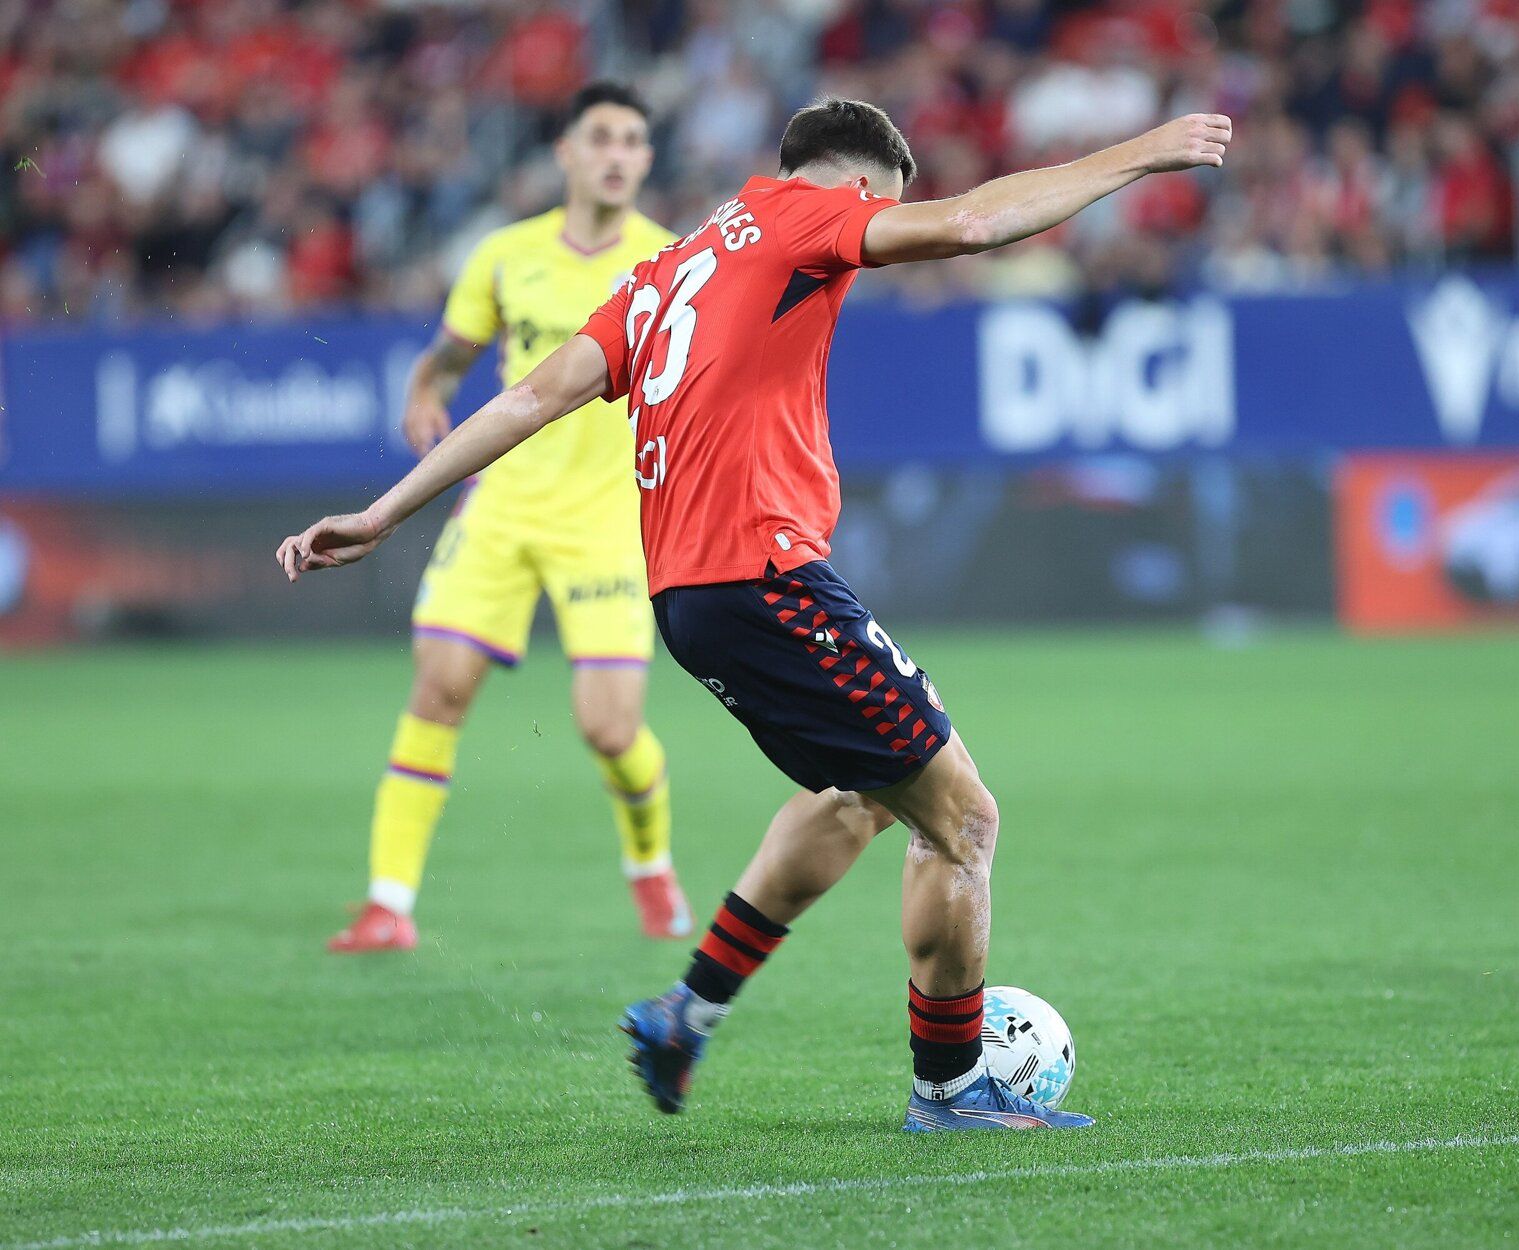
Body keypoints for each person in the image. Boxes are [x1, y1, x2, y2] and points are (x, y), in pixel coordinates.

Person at [279, 97, 1231, 1128]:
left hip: (690, 596)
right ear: (860, 187)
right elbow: (969, 224)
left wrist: (383, 511)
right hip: (765, 576)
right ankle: (950, 1085)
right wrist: (1143, 154)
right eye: (881, 209)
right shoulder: (799, 219)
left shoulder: (661, 273)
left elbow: (526, 398)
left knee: (859, 794)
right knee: (964, 821)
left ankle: (687, 1012)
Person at [326, 82, 691, 954]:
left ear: (645, 160)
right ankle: (387, 904)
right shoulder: (503, 254)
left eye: (633, 141)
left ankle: (650, 867)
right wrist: (424, 390)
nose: (615, 154)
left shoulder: (673, 262)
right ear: (565, 152)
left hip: (606, 520)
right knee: (437, 692)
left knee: (609, 727)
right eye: (599, 136)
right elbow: (450, 357)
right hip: (500, 509)